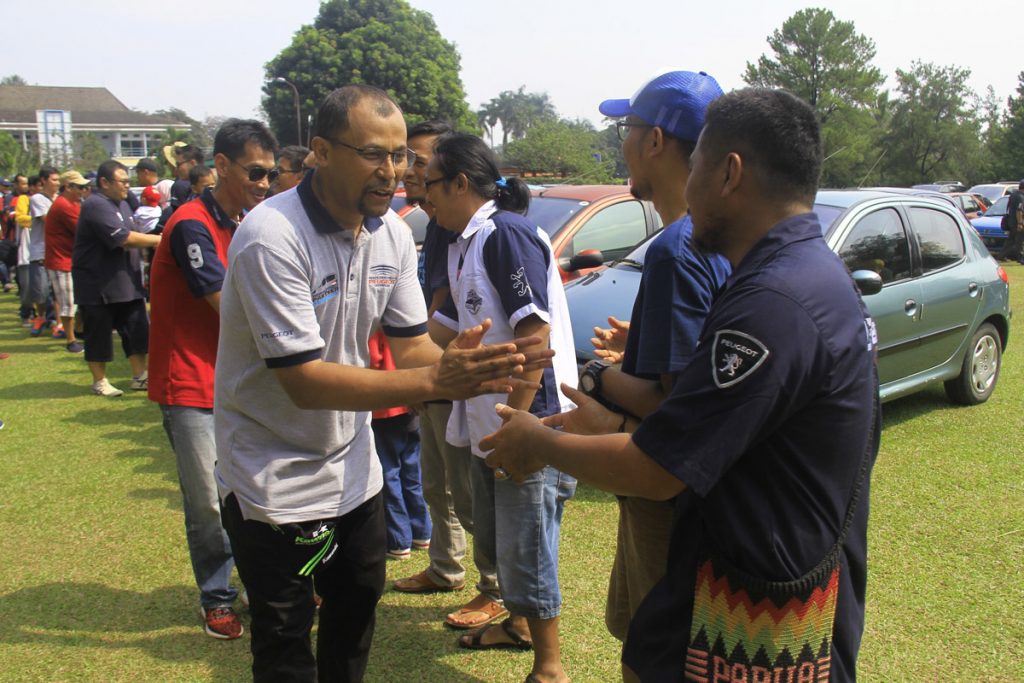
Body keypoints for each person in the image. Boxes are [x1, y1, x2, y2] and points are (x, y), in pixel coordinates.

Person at [481, 88, 881, 683]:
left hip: (758, 607)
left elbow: (656, 469)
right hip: (767, 574)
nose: (687, 187)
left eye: (695, 166)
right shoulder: (806, 275)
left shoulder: (773, 302)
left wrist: (535, 443)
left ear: (729, 172)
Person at [213, 84, 550, 682]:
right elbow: (305, 383)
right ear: (319, 150)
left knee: (356, 609)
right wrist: (435, 380)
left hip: (352, 467)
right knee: (287, 635)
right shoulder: (273, 237)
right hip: (272, 472)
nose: (393, 171)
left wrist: (470, 371)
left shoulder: (391, 233)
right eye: (373, 153)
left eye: (401, 156)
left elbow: (412, 346)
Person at [581, 70, 732, 649]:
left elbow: (674, 400)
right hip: (702, 491)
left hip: (663, 487)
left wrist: (594, 377)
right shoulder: (718, 234)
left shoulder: (676, 249)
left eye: (627, 128)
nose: (622, 142)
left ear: (655, 141)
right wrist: (638, 349)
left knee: (650, 645)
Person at [425, 133, 578, 683]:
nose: (425, 199)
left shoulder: (504, 235)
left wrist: (518, 424)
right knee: (497, 538)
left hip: (525, 420)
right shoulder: (464, 239)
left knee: (527, 543)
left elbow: (536, 335)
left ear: (460, 183)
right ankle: (515, 624)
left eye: (431, 185)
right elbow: (445, 329)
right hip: (488, 420)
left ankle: (550, 667)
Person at [148, 118, 278, 640]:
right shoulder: (192, 224)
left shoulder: (242, 220)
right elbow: (224, 306)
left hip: (232, 382)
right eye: (255, 172)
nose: (264, 183)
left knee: (247, 495)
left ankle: (256, 583)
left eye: (270, 174)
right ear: (220, 165)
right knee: (206, 500)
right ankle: (217, 596)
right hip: (189, 384)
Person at [392, 121, 507, 632]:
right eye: (411, 161)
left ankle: (496, 587)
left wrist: (422, 363)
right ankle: (446, 566)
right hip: (435, 367)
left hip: (450, 369)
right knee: (437, 480)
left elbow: (447, 307)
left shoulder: (470, 231)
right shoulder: (431, 222)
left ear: (456, 179)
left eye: (420, 163)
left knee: (468, 489)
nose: (412, 171)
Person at [72, 160, 162, 397]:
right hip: (98, 283)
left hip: (125, 282)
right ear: (104, 182)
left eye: (128, 182)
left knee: (136, 329)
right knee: (98, 334)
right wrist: (161, 239)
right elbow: (123, 238)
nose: (127, 186)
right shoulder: (95, 205)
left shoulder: (121, 204)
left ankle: (140, 376)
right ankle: (99, 381)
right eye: (122, 182)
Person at [44, 170, 90, 353]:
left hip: (68, 259)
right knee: (68, 302)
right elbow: (83, 229)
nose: (83, 190)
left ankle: (77, 333)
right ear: (68, 187)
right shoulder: (64, 205)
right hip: (60, 260)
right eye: (79, 187)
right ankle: (71, 340)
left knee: (75, 301)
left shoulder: (71, 203)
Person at [24, 170, 59, 335]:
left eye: (59, 180)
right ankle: (41, 317)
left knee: (58, 291)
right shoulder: (37, 199)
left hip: (58, 251)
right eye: (54, 180)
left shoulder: (60, 198)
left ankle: (59, 323)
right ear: (44, 180)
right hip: (40, 252)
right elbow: (48, 220)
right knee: (40, 291)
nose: (57, 183)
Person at [997, 180, 1024, 263]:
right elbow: (1019, 210)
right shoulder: (1020, 197)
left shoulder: (1013, 195)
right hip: (1017, 222)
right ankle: (1020, 258)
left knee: (1011, 240)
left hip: (1011, 221)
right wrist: (1020, 223)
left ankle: (1001, 256)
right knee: (1019, 240)